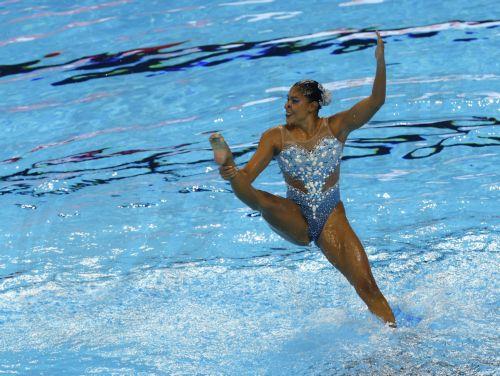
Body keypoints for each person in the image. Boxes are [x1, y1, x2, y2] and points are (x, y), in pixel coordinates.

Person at [209, 31, 396, 326]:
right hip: (294, 213)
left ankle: (395, 342)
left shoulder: (337, 126)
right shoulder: (275, 137)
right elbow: (249, 178)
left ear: (312, 106)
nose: (286, 106)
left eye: (294, 101)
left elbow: (376, 101)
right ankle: (227, 168)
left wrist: (380, 62)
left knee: (368, 286)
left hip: (332, 216)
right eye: (286, 100)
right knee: (260, 199)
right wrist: (235, 174)